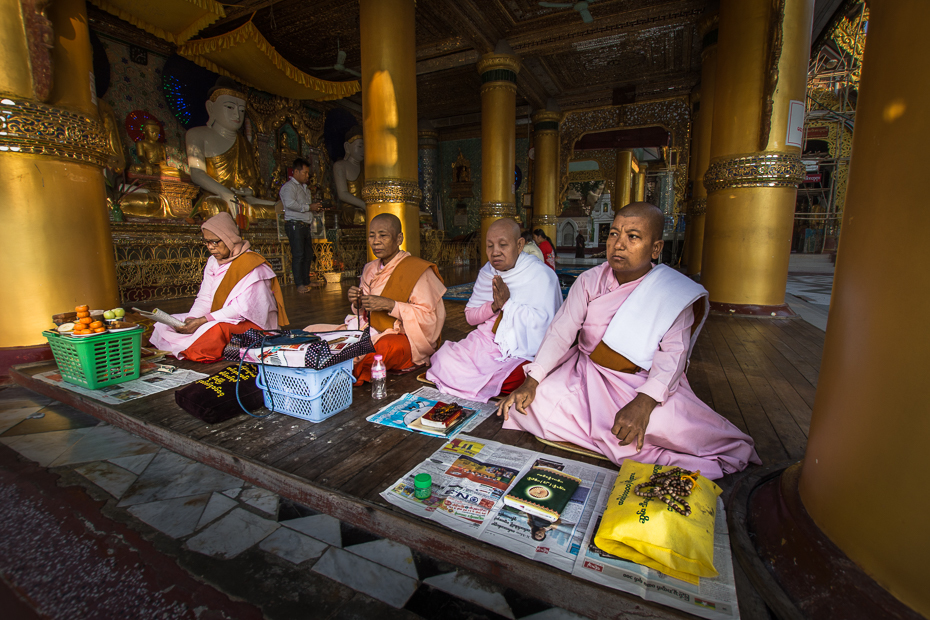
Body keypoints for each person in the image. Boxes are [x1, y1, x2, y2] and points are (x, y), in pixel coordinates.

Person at [499, 203, 759, 480]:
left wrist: (644, 404)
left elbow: (673, 356)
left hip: (642, 382)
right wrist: (533, 381)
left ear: (655, 248)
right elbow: (561, 332)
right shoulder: (589, 281)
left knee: (674, 427)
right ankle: (612, 441)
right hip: (588, 373)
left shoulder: (672, 292)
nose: (618, 245)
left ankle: (610, 435)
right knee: (528, 406)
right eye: (613, 234)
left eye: (632, 237)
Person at [427, 219, 562, 402]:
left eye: (503, 245)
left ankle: (479, 383)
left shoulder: (541, 275)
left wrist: (508, 304)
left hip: (519, 350)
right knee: (444, 359)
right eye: (489, 246)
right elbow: (470, 317)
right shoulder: (487, 272)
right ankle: (485, 384)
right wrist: (494, 306)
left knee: (524, 376)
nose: (495, 252)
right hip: (486, 343)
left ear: (520, 244)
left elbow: (545, 326)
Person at [306, 213, 446, 383]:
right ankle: (330, 366)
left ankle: (338, 374)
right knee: (312, 332)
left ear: (399, 238)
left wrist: (391, 305)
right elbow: (364, 312)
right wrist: (358, 301)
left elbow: (430, 318)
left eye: (383, 235)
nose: (376, 241)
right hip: (370, 330)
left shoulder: (418, 271)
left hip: (403, 336)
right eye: (371, 236)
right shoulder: (369, 268)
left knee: (382, 349)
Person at [150, 213, 289, 362]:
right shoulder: (213, 262)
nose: (210, 247)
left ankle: (188, 348)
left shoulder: (252, 265)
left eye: (215, 242)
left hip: (251, 323)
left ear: (229, 239)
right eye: (207, 242)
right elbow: (205, 297)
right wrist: (192, 319)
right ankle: (185, 346)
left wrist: (202, 321)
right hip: (216, 317)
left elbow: (240, 309)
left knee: (215, 330)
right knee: (166, 324)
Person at [280, 158, 323, 293]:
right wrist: (309, 207)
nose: (307, 176)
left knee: (308, 254)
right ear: (296, 172)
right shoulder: (289, 187)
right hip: (294, 225)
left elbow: (305, 207)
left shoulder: (306, 189)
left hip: (305, 225)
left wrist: (314, 209)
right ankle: (299, 284)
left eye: (307, 173)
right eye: (304, 173)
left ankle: (306, 280)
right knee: (298, 254)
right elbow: (289, 204)